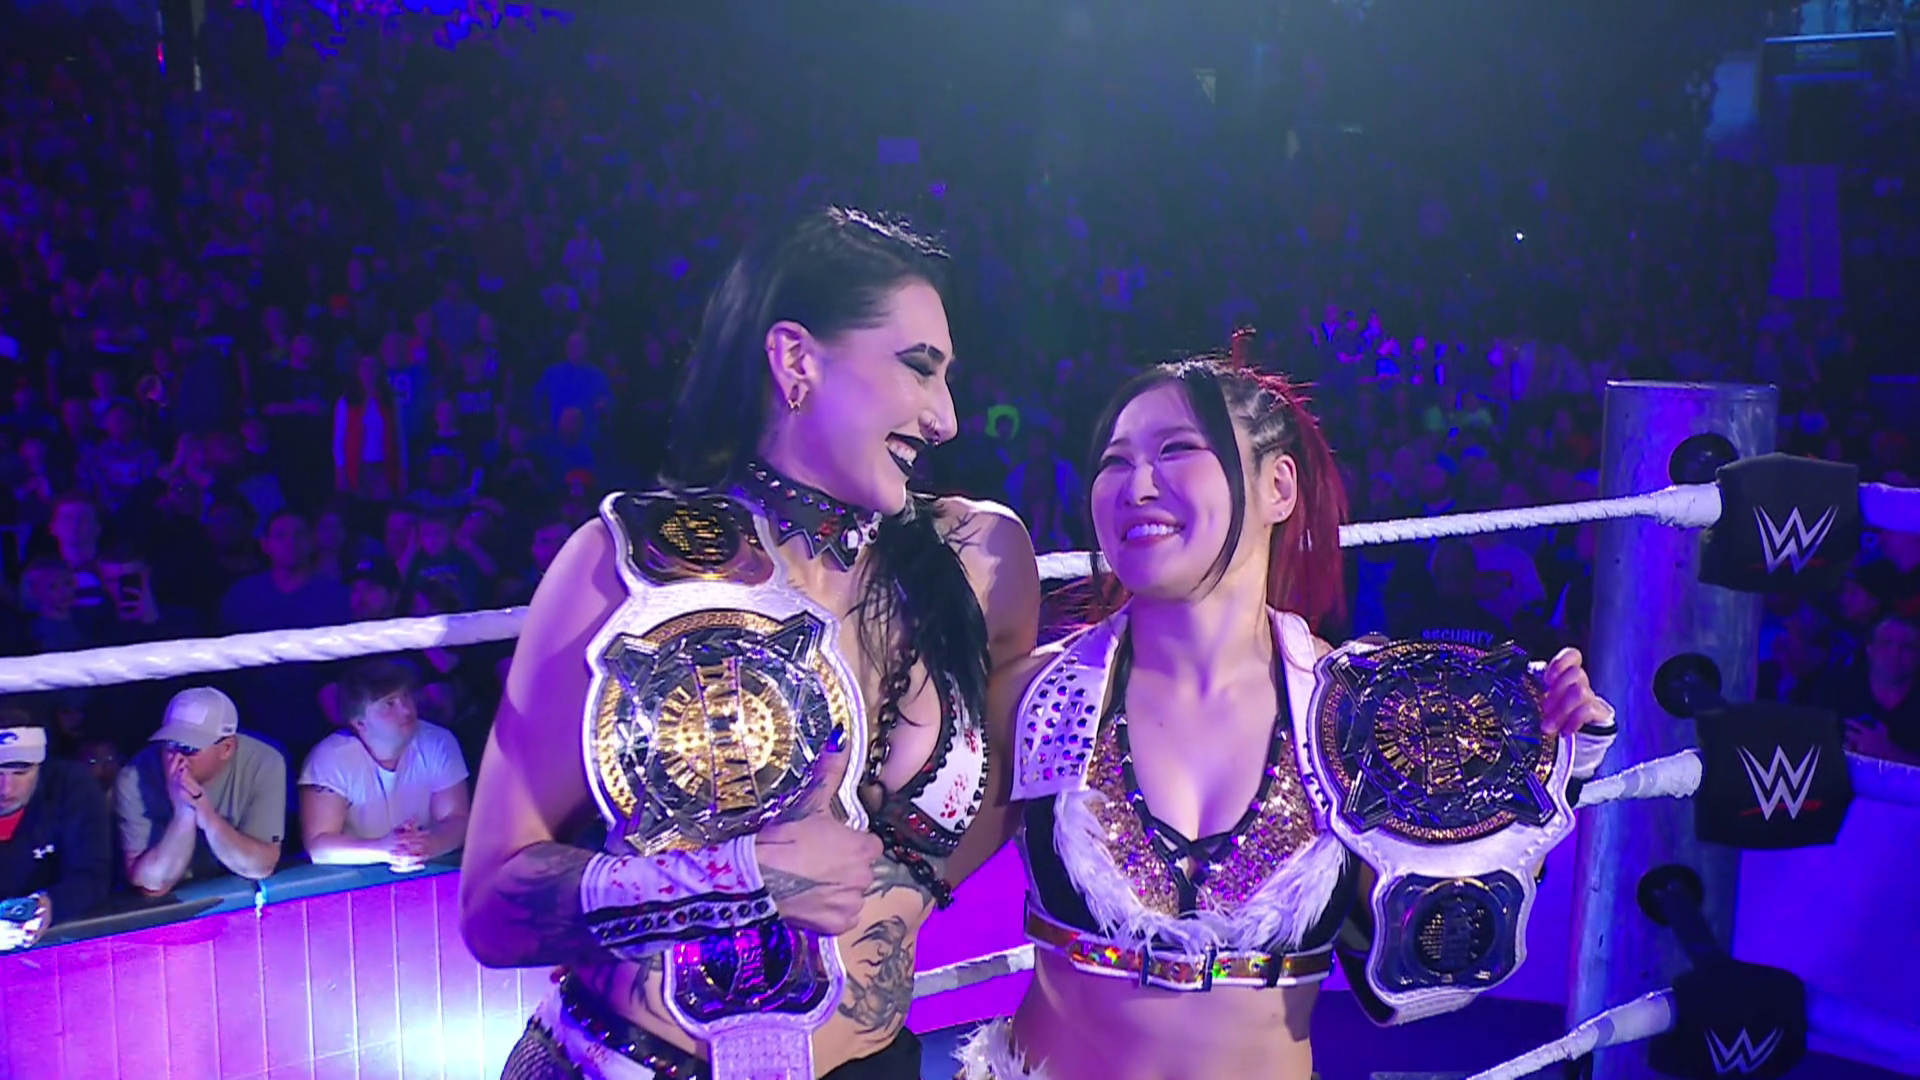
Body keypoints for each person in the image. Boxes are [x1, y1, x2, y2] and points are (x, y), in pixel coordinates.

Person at [459, 207, 1041, 1080]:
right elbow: (492, 910)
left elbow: (1000, 769)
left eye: (947, 377)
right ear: (796, 360)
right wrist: (735, 878)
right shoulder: (623, 570)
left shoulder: (982, 559)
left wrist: (903, 892)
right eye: (918, 368)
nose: (945, 417)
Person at [951, 342, 1616, 1080]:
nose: (1136, 484)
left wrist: (1533, 773)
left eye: (1176, 450)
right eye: (1114, 461)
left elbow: (1427, 969)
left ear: (1278, 486)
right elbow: (906, 882)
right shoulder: (1040, 698)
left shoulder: (1359, 714)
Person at [300, 659, 471, 871]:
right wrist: (386, 849)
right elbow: (319, 846)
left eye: (406, 696)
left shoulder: (439, 742)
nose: (406, 709)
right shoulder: (330, 759)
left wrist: (427, 845)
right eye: (389, 704)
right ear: (360, 722)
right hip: (358, 879)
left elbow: (457, 820)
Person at [115, 687, 287, 894]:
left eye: (189, 749)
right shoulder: (134, 777)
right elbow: (151, 886)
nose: (177, 759)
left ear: (226, 748)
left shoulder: (263, 763)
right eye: (171, 744)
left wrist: (207, 816)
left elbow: (261, 866)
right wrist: (184, 813)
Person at [0, 707, 113, 951]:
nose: (5, 788)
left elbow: (92, 874)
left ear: (40, 766)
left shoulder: (71, 788)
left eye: (20, 772)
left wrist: (52, 905)